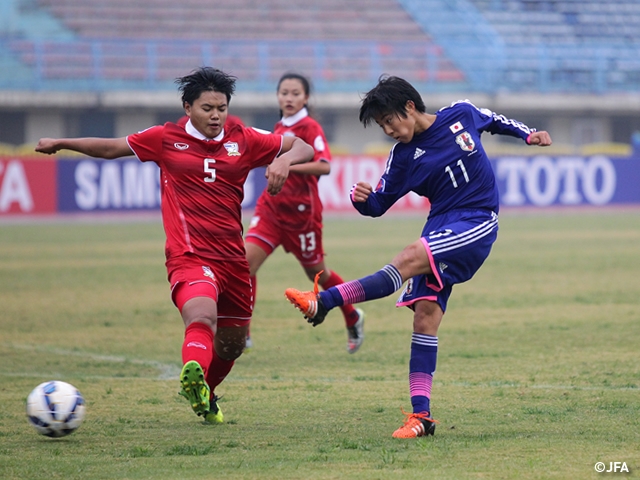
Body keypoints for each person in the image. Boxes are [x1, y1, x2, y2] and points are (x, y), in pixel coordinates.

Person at [35, 67, 314, 424]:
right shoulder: (165, 138)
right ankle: (193, 368)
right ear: (187, 107)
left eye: (222, 108)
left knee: (233, 343)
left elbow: (300, 145)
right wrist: (62, 143)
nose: (215, 115)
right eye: (207, 108)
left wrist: (284, 161)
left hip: (233, 259)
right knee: (201, 316)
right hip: (189, 255)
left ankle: (206, 393)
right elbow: (111, 147)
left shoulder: (243, 138)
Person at [285, 75, 552, 438]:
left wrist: (528, 134)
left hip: (477, 220)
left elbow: (495, 120)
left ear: (409, 107)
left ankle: (327, 300)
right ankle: (421, 417)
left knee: (410, 255)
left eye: (390, 120)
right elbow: (379, 204)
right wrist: (360, 198)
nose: (389, 130)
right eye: (382, 126)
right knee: (425, 317)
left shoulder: (461, 113)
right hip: (439, 227)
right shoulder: (402, 158)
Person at [245, 72, 365, 353]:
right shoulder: (277, 128)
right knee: (244, 264)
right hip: (271, 210)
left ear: (306, 98)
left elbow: (324, 166)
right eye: (284, 93)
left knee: (318, 273)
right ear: (278, 96)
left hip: (302, 216)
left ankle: (352, 315)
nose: (289, 98)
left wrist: (288, 165)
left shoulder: (309, 128)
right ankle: (242, 331)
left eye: (295, 93)